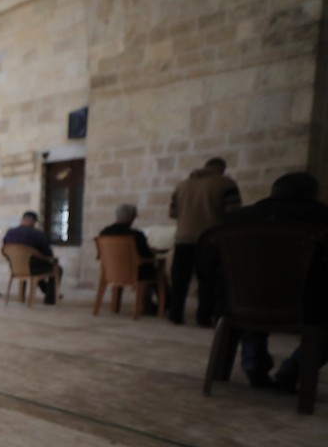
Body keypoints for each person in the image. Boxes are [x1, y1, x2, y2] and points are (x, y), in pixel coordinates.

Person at [219, 172, 328, 390]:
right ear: (314, 194)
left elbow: (213, 264)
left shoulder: (236, 219)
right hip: (308, 304)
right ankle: (293, 369)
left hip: (242, 301)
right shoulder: (322, 217)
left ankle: (253, 361)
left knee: (255, 291)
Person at [168, 157, 241, 326]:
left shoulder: (182, 185)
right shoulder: (225, 183)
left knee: (179, 278)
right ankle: (204, 317)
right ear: (221, 168)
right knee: (208, 280)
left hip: (183, 238)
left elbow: (173, 213)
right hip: (210, 238)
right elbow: (233, 212)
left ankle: (175, 314)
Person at [98, 203, 160, 314]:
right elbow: (147, 255)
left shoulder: (104, 233)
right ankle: (161, 304)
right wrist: (153, 252)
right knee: (158, 272)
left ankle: (117, 307)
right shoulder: (136, 235)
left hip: (111, 272)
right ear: (130, 218)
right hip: (135, 273)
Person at [2, 211, 63, 304]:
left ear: (22, 220)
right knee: (57, 269)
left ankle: (46, 292)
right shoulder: (38, 234)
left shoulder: (10, 233)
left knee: (37, 268)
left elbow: (5, 248)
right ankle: (50, 299)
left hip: (15, 267)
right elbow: (48, 254)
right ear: (33, 222)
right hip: (34, 268)